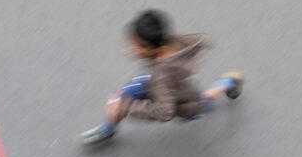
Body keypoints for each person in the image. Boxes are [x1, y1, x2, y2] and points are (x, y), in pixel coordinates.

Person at [81, 9, 243, 144]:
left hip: (182, 100)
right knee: (120, 97)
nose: (128, 49)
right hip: (154, 83)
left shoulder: (161, 75)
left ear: (152, 49)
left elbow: (165, 112)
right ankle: (108, 129)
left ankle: (228, 82)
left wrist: (127, 107)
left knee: (204, 101)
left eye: (134, 46)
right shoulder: (167, 42)